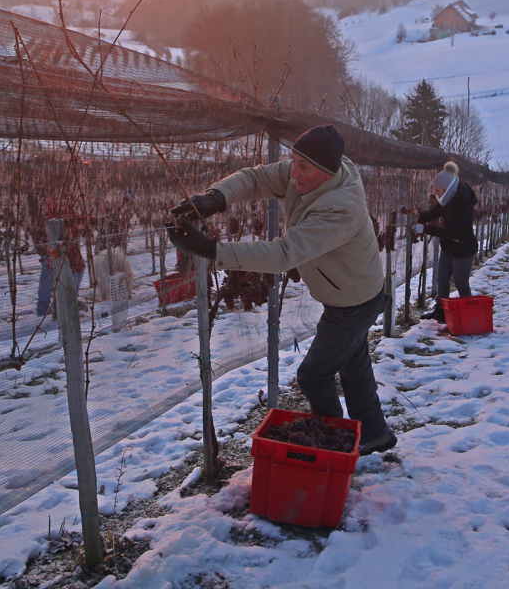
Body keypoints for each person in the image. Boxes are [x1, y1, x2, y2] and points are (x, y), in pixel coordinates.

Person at [165, 125, 398, 456]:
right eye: (294, 162)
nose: (294, 174)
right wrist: (216, 197)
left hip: (354, 302)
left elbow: (283, 254)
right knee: (353, 364)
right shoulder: (309, 169)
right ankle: (374, 434)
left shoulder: (340, 207)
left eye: (304, 168)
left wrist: (212, 251)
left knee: (314, 376)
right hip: (349, 293)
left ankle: (331, 445)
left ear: (328, 173)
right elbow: (258, 179)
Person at [414, 162, 478, 322]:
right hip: (449, 246)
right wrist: (419, 216)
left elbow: (453, 231)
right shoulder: (447, 198)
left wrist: (426, 229)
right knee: (442, 279)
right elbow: (435, 212)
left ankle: (469, 315)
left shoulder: (464, 205)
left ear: (448, 189)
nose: (434, 193)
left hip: (463, 249)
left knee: (460, 282)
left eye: (437, 190)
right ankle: (441, 311)